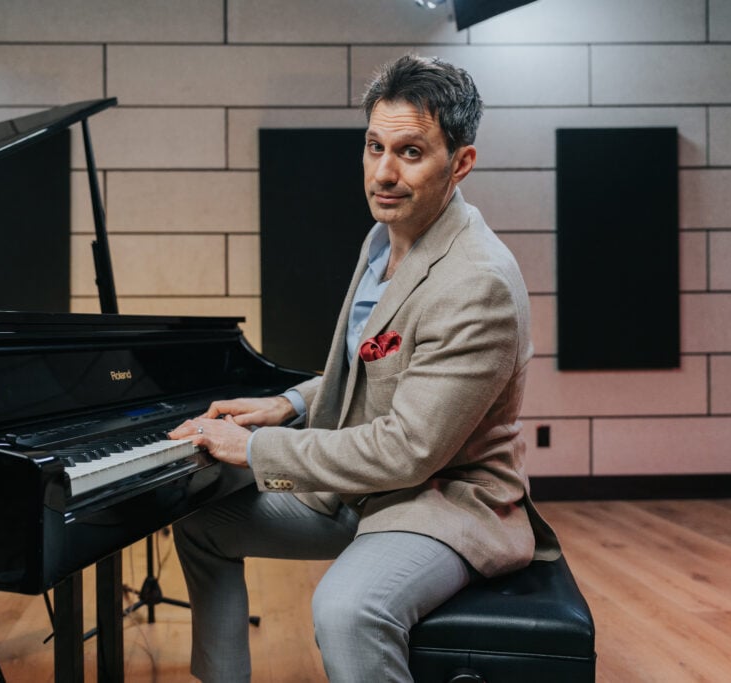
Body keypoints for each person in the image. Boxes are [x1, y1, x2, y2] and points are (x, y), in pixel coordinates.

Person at [167, 54, 560, 683]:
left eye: (410, 152)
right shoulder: (385, 240)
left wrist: (257, 447)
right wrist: (288, 406)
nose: (383, 172)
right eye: (375, 146)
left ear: (460, 163)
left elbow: (409, 449)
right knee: (201, 524)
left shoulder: (476, 282)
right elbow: (380, 366)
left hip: (445, 500)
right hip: (371, 488)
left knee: (348, 608)